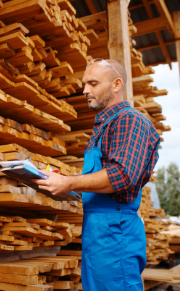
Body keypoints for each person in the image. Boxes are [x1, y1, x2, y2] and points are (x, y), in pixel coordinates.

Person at [34, 59, 160, 290]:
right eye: (84, 84)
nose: (85, 90)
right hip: (97, 231)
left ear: (116, 85)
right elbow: (99, 178)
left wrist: (70, 182)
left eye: (93, 83)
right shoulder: (105, 125)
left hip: (115, 230)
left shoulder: (130, 120)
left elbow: (122, 175)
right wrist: (60, 181)